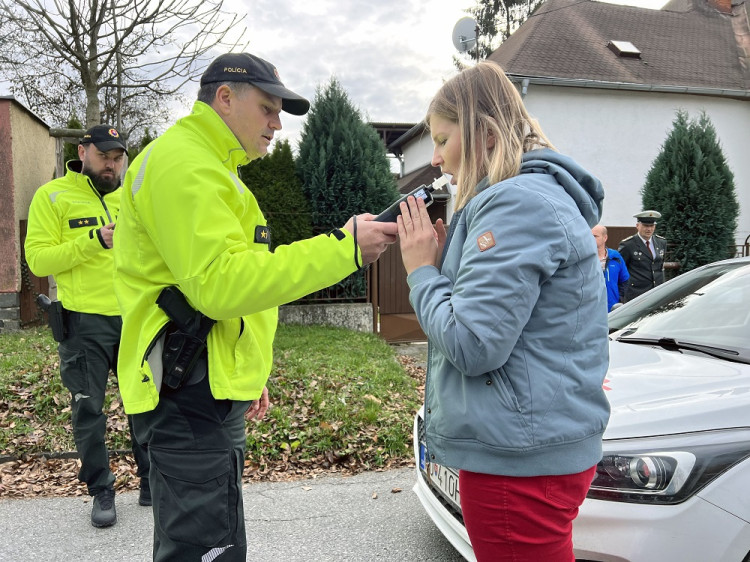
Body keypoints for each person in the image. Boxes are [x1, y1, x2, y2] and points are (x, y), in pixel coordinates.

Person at [112, 52, 399, 561]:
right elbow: (220, 285)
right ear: (225, 97)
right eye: (267, 107)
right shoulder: (185, 165)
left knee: (210, 539)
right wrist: (343, 247)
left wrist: (243, 363)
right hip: (189, 393)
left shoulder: (209, 166)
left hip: (201, 380)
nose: (276, 122)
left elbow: (208, 283)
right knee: (206, 550)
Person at [396, 61, 610, 561]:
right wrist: (448, 266)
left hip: (518, 464)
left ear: (486, 135)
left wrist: (421, 271)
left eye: (444, 140)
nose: (436, 158)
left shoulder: (516, 204)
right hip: (528, 450)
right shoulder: (529, 199)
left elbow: (473, 344)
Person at [24, 124, 150, 528]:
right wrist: (94, 239)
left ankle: (151, 483)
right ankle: (101, 490)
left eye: (117, 158)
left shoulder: (130, 198)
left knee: (145, 404)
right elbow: (39, 262)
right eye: (104, 156)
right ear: (83, 151)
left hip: (134, 317)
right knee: (88, 410)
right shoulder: (53, 196)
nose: (111, 165)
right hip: (83, 324)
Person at [618, 210, 666, 301]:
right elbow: (621, 270)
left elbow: (659, 266)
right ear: (637, 226)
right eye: (645, 226)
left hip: (657, 292)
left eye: (651, 226)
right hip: (637, 294)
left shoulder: (661, 242)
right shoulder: (628, 245)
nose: (649, 229)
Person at [592, 224, 629, 311]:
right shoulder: (584, 258)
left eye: (595, 236)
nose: (591, 239)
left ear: (605, 238)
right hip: (591, 309)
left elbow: (624, 281)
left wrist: (620, 300)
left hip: (612, 308)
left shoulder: (615, 257)